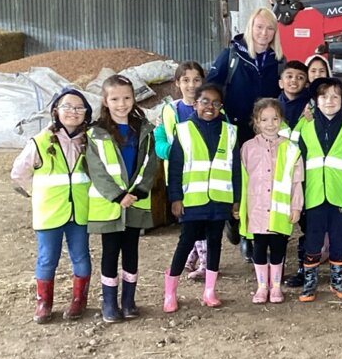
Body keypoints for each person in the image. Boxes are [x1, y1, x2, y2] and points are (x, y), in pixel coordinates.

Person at [11, 88, 93, 324]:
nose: (73, 112)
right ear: (56, 111)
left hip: (79, 211)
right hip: (49, 212)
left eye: (79, 108)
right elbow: (18, 173)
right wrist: (36, 194)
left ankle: (79, 300)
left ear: (86, 113)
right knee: (47, 258)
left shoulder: (90, 141)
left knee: (81, 256)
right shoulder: (40, 140)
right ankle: (44, 303)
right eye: (67, 106)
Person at [85, 75, 158, 323]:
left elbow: (150, 163)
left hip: (136, 202)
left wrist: (138, 191)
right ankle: (109, 302)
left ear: (134, 99)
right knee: (109, 253)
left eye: (127, 97)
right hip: (110, 206)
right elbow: (96, 169)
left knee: (131, 251)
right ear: (105, 101)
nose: (121, 103)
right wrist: (117, 196)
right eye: (115, 99)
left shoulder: (144, 129)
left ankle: (129, 301)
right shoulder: (96, 133)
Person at [164, 83, 240, 312]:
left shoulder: (230, 132)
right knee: (185, 243)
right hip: (192, 201)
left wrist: (236, 200)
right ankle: (170, 293)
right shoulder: (183, 130)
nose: (210, 107)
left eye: (216, 103)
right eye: (205, 101)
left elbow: (235, 169)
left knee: (215, 244)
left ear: (221, 107)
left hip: (219, 200)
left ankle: (209, 291)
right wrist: (175, 198)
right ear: (195, 104)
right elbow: (175, 168)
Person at [296, 79, 342, 302]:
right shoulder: (306, 130)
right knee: (313, 239)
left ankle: (336, 280)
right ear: (316, 101)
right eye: (324, 96)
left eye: (335, 96)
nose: (330, 101)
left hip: (340, 195)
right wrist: (297, 196)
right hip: (313, 195)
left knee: (339, 239)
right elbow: (299, 167)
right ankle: (310, 283)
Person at [239, 98, 304, 305]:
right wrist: (240, 209)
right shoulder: (248, 148)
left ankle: (275, 287)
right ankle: (261, 286)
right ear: (256, 122)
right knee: (259, 248)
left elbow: (297, 182)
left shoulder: (292, 148)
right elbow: (242, 181)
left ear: (281, 120)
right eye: (264, 119)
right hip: (256, 209)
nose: (270, 123)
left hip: (280, 210)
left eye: (275, 118)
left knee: (278, 248)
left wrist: (296, 206)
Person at [154, 61, 208, 281]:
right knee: (186, 218)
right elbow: (159, 140)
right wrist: (172, 152)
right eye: (185, 80)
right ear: (177, 84)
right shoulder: (170, 110)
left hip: (204, 177)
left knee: (202, 218)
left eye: (196, 80)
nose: (191, 85)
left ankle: (205, 262)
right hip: (179, 176)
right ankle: (194, 254)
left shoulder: (210, 108)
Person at [206, 7, 283, 146]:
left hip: (266, 133)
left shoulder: (279, 62)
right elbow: (209, 89)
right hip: (233, 131)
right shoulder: (231, 56)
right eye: (259, 27)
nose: (264, 33)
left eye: (270, 28)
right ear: (250, 27)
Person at [278, 60, 311, 131]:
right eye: (289, 76)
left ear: (306, 85)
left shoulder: (310, 106)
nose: (294, 80)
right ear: (281, 83)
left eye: (300, 78)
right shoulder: (274, 106)